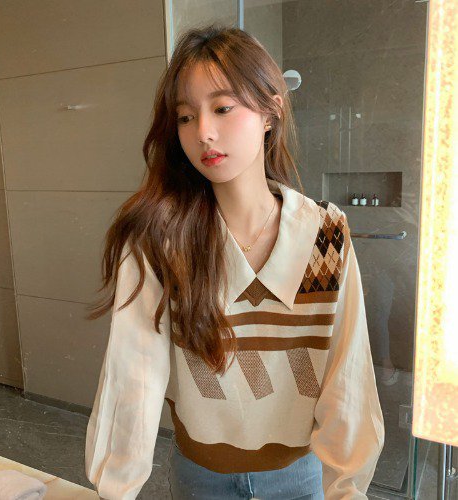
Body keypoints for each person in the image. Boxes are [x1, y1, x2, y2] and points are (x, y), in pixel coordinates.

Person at [84, 24, 384, 500]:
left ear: (271, 111)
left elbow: (347, 375)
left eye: (223, 108)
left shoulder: (323, 235)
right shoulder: (162, 239)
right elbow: (132, 376)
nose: (203, 132)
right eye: (185, 117)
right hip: (200, 478)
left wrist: (346, 488)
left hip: (300, 477)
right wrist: (115, 488)